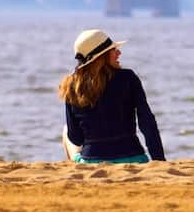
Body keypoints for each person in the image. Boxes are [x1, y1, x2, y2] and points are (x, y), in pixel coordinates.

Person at [59, 29, 166, 164]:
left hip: (92, 162)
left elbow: (76, 138)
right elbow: (147, 122)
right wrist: (159, 161)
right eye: (113, 50)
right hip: (134, 158)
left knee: (66, 130)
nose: (119, 53)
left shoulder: (72, 86)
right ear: (101, 56)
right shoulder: (128, 78)